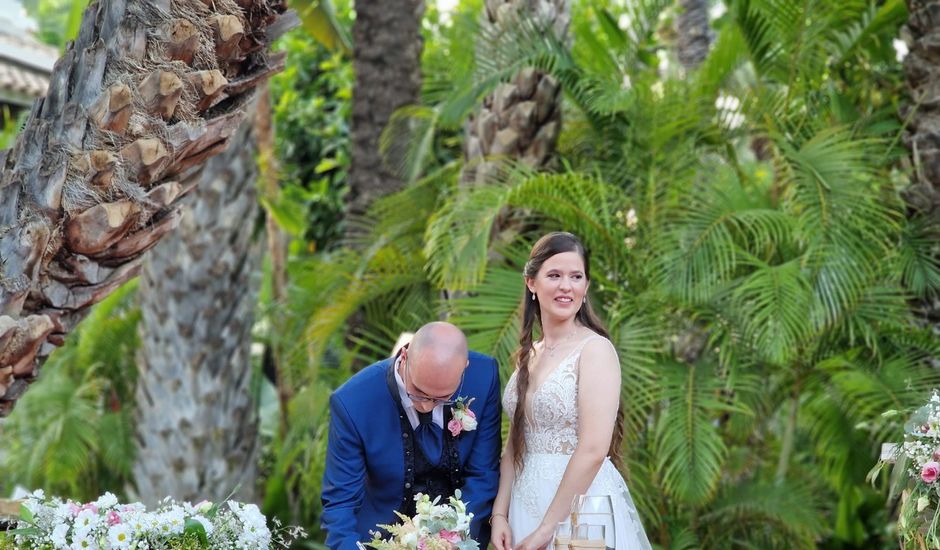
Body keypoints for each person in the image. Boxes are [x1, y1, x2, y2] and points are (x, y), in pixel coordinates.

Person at [490, 232, 652, 550]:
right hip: (525, 505)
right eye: (554, 275)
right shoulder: (528, 355)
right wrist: (500, 514)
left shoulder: (595, 350)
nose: (567, 286)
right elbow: (514, 443)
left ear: (586, 287)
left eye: (576, 276)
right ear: (531, 283)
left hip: (581, 510)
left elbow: (593, 449)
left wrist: (546, 530)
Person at [321, 321, 501, 549]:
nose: (426, 406)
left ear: (465, 367)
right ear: (404, 356)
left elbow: (483, 474)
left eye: (441, 398)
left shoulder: (484, 377)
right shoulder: (352, 402)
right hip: (379, 540)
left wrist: (452, 538)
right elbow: (341, 504)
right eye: (418, 392)